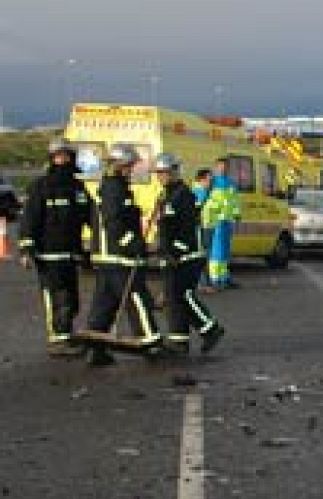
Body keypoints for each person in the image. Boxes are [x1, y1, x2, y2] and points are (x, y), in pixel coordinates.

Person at [83, 145, 159, 366]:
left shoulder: (114, 187)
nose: (131, 170)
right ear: (119, 165)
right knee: (136, 298)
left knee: (105, 303)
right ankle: (151, 343)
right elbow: (113, 223)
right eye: (129, 166)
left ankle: (96, 348)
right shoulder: (113, 189)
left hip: (108, 257)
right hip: (117, 257)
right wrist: (133, 244)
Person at [16, 138, 94, 356]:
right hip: (48, 254)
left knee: (72, 300)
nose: (63, 160)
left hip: (71, 254)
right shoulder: (41, 186)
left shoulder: (77, 188)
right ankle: (58, 340)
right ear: (52, 159)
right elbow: (29, 220)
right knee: (56, 297)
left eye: (66, 156)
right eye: (59, 156)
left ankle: (66, 333)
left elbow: (91, 216)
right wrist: (26, 249)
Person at [152, 154, 224, 353]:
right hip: (174, 256)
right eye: (159, 173)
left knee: (183, 296)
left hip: (187, 256)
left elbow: (186, 230)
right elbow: (166, 227)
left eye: (165, 173)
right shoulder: (167, 195)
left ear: (175, 172)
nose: (161, 177)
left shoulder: (183, 196)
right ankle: (179, 340)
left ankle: (211, 329)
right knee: (175, 299)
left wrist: (175, 252)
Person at [201, 157, 241, 288]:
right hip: (215, 221)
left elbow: (235, 201)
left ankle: (223, 278)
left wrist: (237, 215)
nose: (223, 169)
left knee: (225, 251)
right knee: (216, 251)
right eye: (220, 166)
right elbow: (203, 199)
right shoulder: (211, 182)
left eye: (225, 166)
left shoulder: (231, 183)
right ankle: (214, 279)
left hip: (227, 221)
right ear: (216, 167)